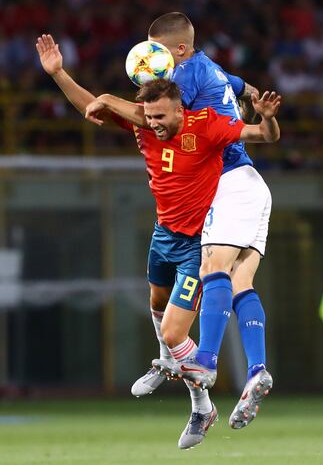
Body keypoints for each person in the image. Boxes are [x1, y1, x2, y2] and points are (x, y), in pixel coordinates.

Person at [36, 32, 281, 449]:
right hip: (163, 233)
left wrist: (266, 117)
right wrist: (59, 74)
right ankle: (171, 364)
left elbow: (262, 136)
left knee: (172, 330)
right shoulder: (145, 123)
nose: (154, 125)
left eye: (161, 118)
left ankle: (202, 403)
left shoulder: (207, 128)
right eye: (148, 118)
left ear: (180, 109)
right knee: (154, 303)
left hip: (193, 243)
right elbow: (91, 107)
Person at [141, 12, 275, 430]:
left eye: (158, 54)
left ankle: (205, 362)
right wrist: (255, 101)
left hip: (230, 181)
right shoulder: (213, 69)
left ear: (179, 51)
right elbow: (244, 86)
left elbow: (151, 109)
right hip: (255, 186)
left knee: (211, 268)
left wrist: (108, 101)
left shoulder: (186, 75)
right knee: (241, 281)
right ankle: (257, 369)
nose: (153, 63)